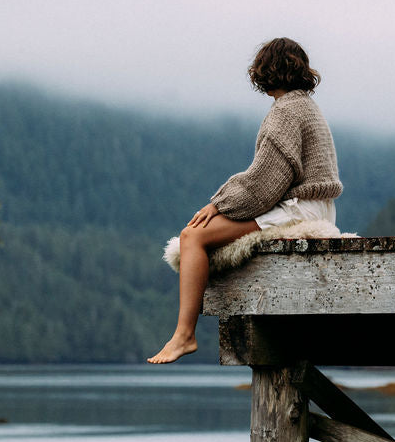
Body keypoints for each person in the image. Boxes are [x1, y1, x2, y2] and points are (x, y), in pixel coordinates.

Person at [147, 37, 343, 364]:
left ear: (267, 71)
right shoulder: (304, 105)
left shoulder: (287, 110)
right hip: (315, 205)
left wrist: (218, 205)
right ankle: (183, 335)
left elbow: (264, 184)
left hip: (302, 209)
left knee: (192, 236)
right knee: (195, 236)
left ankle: (184, 335)